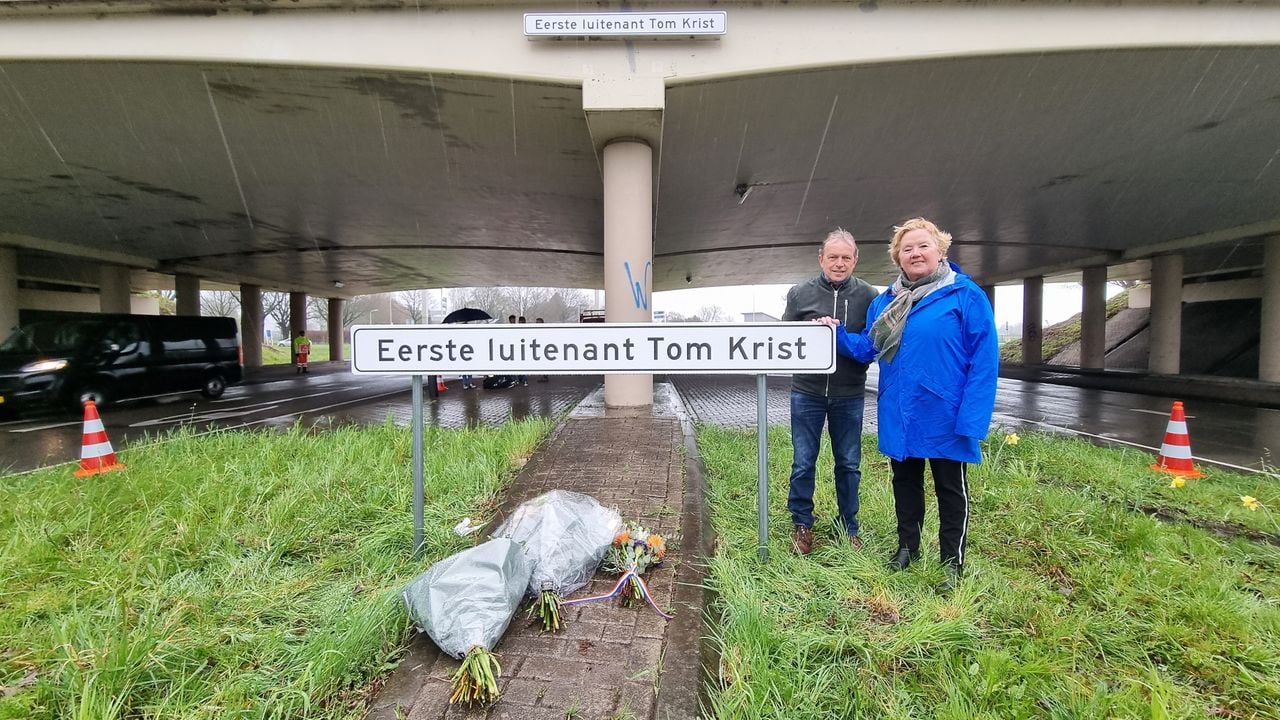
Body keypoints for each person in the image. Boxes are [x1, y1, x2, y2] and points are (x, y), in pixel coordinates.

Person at [826, 218, 998, 591]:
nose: (915, 253)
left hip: (945, 414)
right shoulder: (886, 302)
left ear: (940, 250)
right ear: (898, 258)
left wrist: (972, 419)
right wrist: (835, 333)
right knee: (904, 483)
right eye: (907, 249)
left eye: (923, 246)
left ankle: (952, 562)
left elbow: (984, 361)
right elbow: (868, 348)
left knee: (950, 488)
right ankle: (907, 548)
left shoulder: (964, 295)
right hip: (901, 411)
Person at [783, 228, 878, 555]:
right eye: (833, 257)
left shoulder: (869, 295)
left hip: (849, 394)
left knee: (849, 463)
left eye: (846, 258)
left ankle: (848, 527)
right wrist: (810, 333)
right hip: (806, 391)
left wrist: (838, 337)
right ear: (821, 258)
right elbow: (784, 339)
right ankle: (801, 524)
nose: (839, 263)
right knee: (803, 461)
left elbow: (872, 343)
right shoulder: (799, 293)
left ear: (855, 260)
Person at [535, 318, 549, 382]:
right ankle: (544, 376)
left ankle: (545, 376)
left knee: (544, 363)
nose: (537, 324)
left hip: (544, 349)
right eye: (536, 323)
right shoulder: (537, 330)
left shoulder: (544, 330)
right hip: (539, 348)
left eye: (538, 323)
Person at [516, 316, 529, 386]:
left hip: (524, 349)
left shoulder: (526, 329)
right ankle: (522, 379)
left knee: (524, 365)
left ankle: (524, 380)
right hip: (520, 349)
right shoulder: (518, 329)